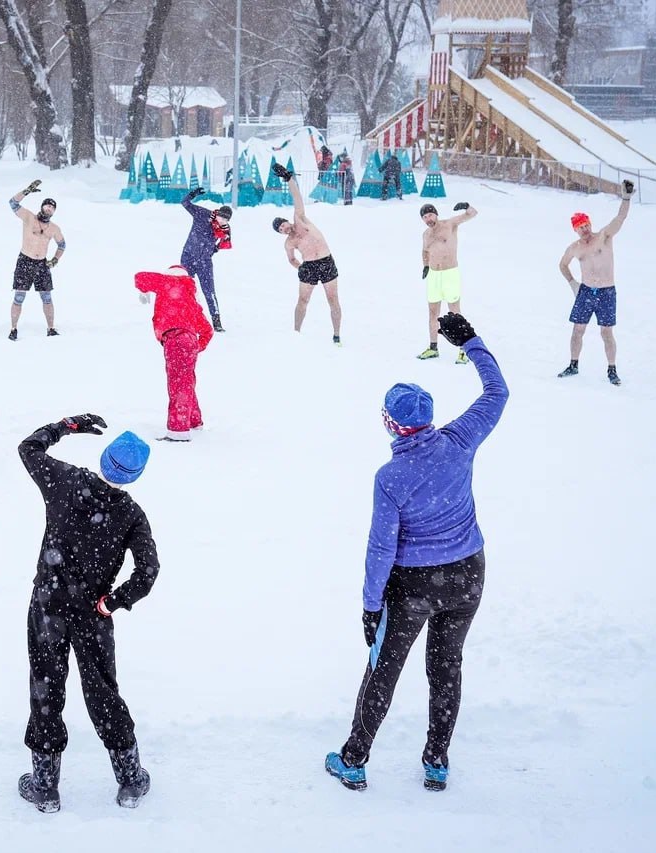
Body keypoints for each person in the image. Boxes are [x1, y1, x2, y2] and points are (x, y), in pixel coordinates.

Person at [325, 313, 508, 794]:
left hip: (413, 586)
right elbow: (497, 393)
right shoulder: (459, 439)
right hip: (469, 573)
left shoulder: (390, 478)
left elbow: (381, 547)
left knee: (384, 668)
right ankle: (436, 761)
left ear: (392, 424)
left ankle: (354, 759)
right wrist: (471, 341)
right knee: (446, 666)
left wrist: (370, 605)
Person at [16, 415, 160, 813]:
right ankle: (130, 779)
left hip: (48, 607)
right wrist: (112, 602)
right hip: (92, 616)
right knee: (102, 695)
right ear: (133, 476)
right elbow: (148, 572)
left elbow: (28, 448)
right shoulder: (131, 514)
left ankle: (45, 787)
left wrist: (68, 425)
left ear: (105, 458)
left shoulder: (64, 481)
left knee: (46, 688)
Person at [556, 181, 633, 386]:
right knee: (577, 330)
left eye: (587, 224)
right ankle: (573, 365)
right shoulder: (574, 248)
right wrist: (573, 282)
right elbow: (562, 265)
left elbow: (620, 218)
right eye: (581, 227)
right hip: (586, 292)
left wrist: (625, 198)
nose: (585, 229)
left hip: (607, 291)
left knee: (606, 332)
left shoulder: (604, 237)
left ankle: (612, 369)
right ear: (575, 229)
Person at [135, 265, 214, 441]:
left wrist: (145, 289)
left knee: (178, 384)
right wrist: (195, 347)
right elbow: (208, 331)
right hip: (188, 341)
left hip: (175, 339)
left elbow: (140, 276)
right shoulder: (191, 301)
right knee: (186, 380)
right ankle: (194, 421)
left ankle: (178, 431)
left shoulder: (168, 282)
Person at [271, 163, 343, 345]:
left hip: (326, 261)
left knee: (333, 299)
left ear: (287, 221)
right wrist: (301, 267)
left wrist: (289, 179)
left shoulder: (300, 220)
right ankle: (296, 332)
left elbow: (297, 198)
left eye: (283, 225)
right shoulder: (289, 243)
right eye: (280, 230)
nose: (284, 229)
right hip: (309, 267)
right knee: (303, 300)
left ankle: (336, 335)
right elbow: (292, 259)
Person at [418, 201, 478, 362]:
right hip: (434, 275)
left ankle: (464, 349)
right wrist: (425, 266)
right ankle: (433, 347)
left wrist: (467, 206)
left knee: (455, 312)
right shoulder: (426, 234)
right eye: (424, 217)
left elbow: (472, 214)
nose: (428, 219)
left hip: (450, 273)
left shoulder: (449, 224)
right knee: (432, 312)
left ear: (436, 214)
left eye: (430, 215)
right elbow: (424, 251)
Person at [7, 179, 65, 340]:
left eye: (52, 207)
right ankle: (13, 329)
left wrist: (54, 260)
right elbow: (12, 203)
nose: (49, 208)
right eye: (47, 205)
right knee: (19, 296)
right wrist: (26, 191)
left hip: (42, 264)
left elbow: (62, 244)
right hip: (25, 260)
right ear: (42, 206)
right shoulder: (29, 217)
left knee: (47, 297)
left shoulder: (54, 228)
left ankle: (51, 328)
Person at [179, 186, 231, 333]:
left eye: (226, 219)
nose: (223, 220)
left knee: (209, 292)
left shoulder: (225, 228)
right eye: (222, 216)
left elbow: (225, 243)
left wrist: (213, 250)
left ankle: (217, 322)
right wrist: (192, 194)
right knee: (185, 288)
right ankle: (184, 317)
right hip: (188, 256)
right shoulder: (202, 214)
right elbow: (184, 203)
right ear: (218, 213)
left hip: (205, 262)